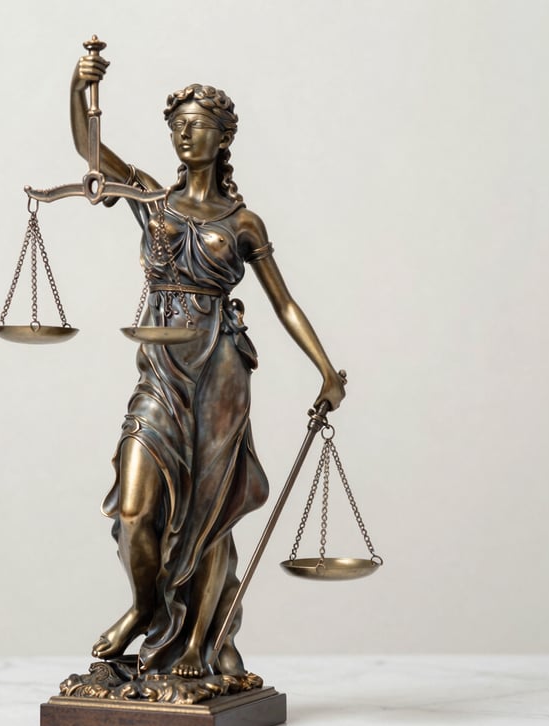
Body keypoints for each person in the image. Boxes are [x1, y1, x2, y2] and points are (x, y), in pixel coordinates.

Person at [71, 54, 346, 680]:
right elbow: (90, 150)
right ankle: (144, 609)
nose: (184, 134)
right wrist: (80, 84)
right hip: (161, 371)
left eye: (197, 125)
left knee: (211, 511)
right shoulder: (150, 199)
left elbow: (284, 301)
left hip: (220, 369)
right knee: (136, 510)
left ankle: (197, 643)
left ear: (223, 137)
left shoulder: (242, 222)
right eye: (177, 125)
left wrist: (326, 371)